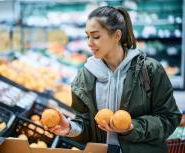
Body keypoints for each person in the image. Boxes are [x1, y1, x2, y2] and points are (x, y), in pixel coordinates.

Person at [46, 6, 182, 153]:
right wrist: (70, 128)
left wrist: (132, 127)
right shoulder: (85, 76)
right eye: (87, 36)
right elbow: (86, 126)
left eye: (96, 36)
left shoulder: (150, 70)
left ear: (117, 35)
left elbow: (169, 118)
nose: (89, 43)